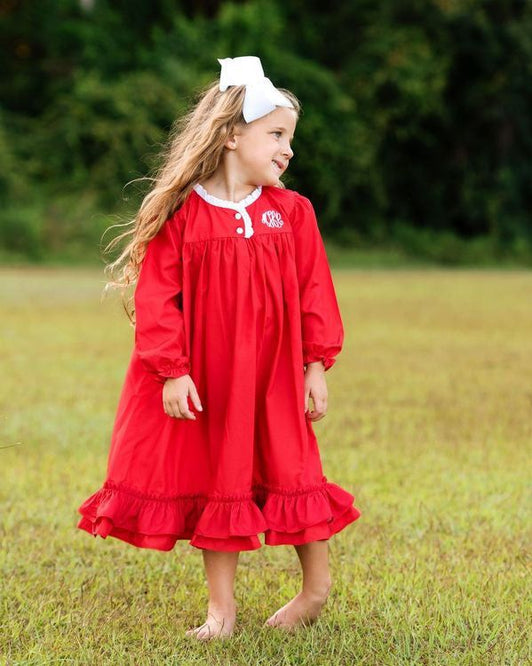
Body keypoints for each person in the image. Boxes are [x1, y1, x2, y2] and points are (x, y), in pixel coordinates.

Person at [77, 56, 361, 640]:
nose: (288, 150)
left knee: (295, 469)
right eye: (276, 135)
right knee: (221, 480)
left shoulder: (292, 213)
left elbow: (315, 293)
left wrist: (315, 365)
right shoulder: (184, 216)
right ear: (232, 135)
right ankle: (221, 612)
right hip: (212, 378)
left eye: (290, 138)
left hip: (277, 376)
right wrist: (173, 372)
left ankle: (315, 590)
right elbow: (159, 300)